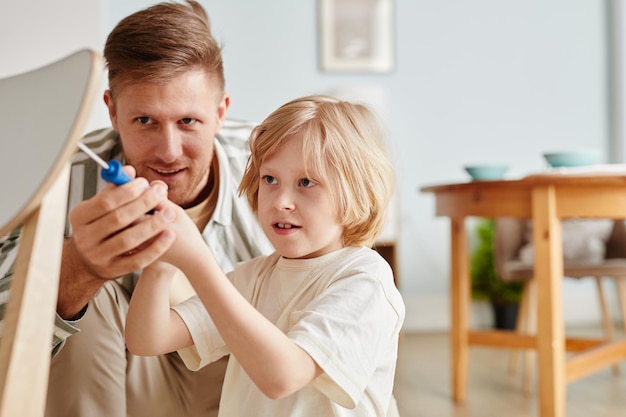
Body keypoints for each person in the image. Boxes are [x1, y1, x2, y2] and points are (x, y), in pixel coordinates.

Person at [0, 1, 274, 416]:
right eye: (145, 121)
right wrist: (78, 268)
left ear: (220, 113)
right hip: (128, 386)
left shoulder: (275, 166)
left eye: (188, 122)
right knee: (83, 291)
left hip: (247, 383)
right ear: (112, 110)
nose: (168, 152)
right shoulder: (60, 177)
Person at [125, 95, 406, 417]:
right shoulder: (254, 277)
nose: (281, 201)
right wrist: (160, 263)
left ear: (357, 192)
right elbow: (148, 339)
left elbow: (283, 377)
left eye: (306, 182)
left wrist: (199, 262)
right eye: (270, 179)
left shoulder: (364, 280)